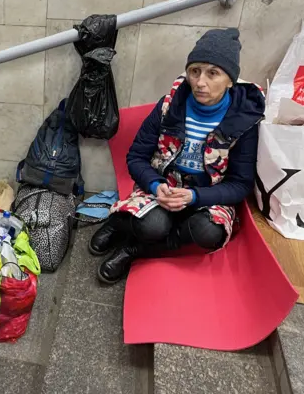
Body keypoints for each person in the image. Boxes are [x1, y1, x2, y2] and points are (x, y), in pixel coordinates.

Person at [89, 28, 265, 284]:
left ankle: (133, 250)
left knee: (208, 233)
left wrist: (195, 196)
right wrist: (155, 185)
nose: (200, 82)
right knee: (153, 226)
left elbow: (240, 184)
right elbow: (136, 156)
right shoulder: (169, 106)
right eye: (194, 71)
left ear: (230, 80)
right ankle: (118, 224)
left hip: (206, 196)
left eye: (212, 73)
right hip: (162, 188)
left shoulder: (244, 120)